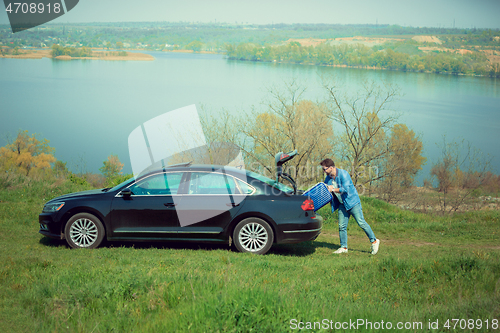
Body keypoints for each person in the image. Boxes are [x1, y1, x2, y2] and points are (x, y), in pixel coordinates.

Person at [320, 158, 380, 255]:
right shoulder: (328, 178)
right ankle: (344, 247)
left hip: (353, 203)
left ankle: (374, 241)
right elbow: (326, 189)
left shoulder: (343, 174)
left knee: (361, 223)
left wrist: (333, 189)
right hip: (342, 205)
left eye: (325, 169)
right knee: (341, 226)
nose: (324, 171)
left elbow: (345, 189)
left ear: (331, 167)